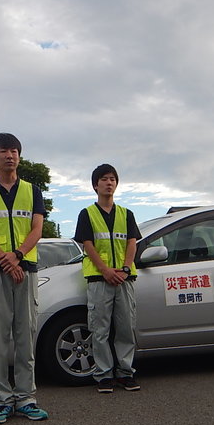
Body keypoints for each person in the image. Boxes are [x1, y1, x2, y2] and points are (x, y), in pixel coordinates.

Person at [0, 132, 50, 424]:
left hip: (25, 269)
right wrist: (7, 261)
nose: (10, 155)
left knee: (25, 335)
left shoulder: (32, 190)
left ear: (19, 156)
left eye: (14, 150)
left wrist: (17, 255)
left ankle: (27, 398)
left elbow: (37, 229)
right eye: (3, 150)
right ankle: (2, 401)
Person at [73, 163, 142, 393]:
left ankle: (125, 373)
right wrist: (105, 270)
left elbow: (132, 243)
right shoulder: (87, 214)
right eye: (104, 179)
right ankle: (103, 375)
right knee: (99, 330)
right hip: (99, 279)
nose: (109, 182)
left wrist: (123, 269)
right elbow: (87, 244)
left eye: (112, 179)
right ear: (95, 185)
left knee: (125, 328)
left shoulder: (126, 214)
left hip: (124, 278)